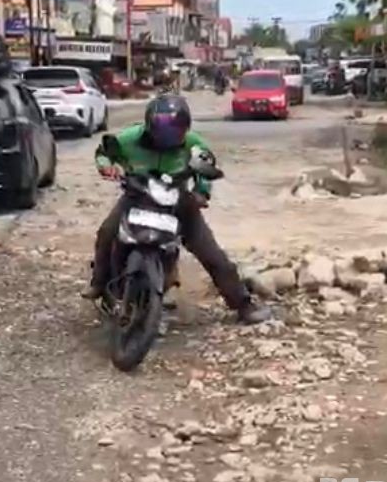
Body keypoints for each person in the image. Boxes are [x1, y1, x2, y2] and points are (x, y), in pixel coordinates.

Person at [81, 94, 272, 325]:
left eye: (175, 129)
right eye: (161, 128)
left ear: (186, 127)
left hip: (178, 200)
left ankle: (243, 304)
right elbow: (103, 152)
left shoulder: (194, 143)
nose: (168, 134)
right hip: (138, 195)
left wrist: (202, 192)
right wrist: (107, 167)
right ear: (149, 125)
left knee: (211, 253)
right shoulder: (129, 138)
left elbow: (205, 167)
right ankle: (99, 283)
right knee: (107, 232)